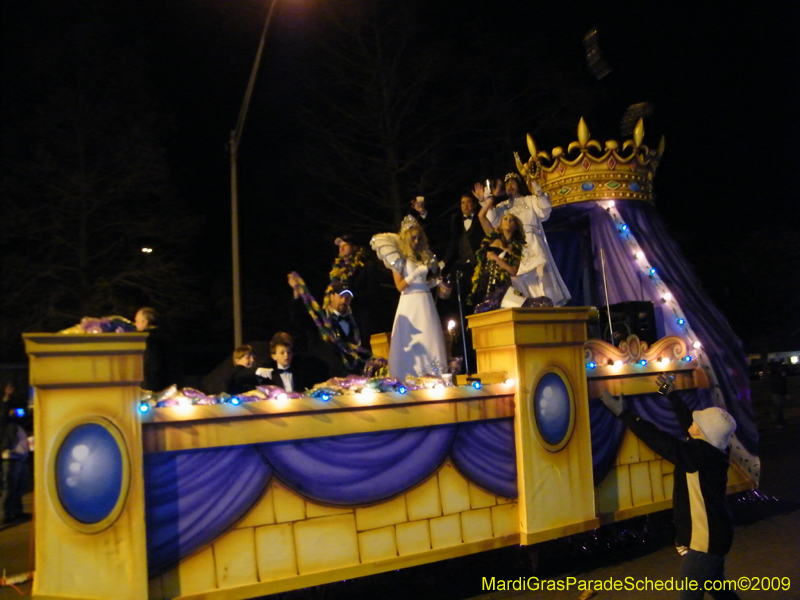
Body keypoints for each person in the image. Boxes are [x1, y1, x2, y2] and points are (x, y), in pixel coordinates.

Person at [600, 375, 741, 599]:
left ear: (702, 433)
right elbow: (689, 424)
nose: (691, 424)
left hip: (705, 540)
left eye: (697, 423)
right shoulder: (710, 450)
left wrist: (625, 415)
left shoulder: (698, 455)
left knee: (689, 595)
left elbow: (660, 440)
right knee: (719, 590)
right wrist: (672, 395)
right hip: (715, 535)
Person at [371, 215, 447, 381]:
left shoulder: (421, 256)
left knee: (429, 338)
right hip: (409, 302)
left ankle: (433, 377)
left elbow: (422, 284)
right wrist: (415, 275)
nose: (416, 241)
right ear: (406, 238)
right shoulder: (398, 259)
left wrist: (434, 282)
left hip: (425, 301)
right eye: (413, 238)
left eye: (419, 238)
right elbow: (399, 286)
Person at [476, 173, 571, 306]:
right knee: (519, 278)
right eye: (507, 183)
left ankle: (550, 303)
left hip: (533, 242)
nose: (510, 186)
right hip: (515, 246)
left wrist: (538, 191)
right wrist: (485, 201)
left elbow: (544, 211)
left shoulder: (530, 200)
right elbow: (492, 221)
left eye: (513, 182)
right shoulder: (503, 207)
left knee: (542, 270)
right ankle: (529, 307)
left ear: (519, 185)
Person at [288, 275, 371, 381]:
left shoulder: (356, 323)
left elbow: (362, 348)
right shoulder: (320, 319)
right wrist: (296, 294)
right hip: (325, 379)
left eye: (347, 297)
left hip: (352, 379)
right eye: (341, 296)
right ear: (331, 296)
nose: (344, 300)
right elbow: (298, 318)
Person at [469, 201, 526, 311]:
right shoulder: (494, 237)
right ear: (500, 223)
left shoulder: (516, 247)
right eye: (505, 219)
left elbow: (513, 271)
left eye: (512, 220)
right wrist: (488, 201)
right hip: (486, 279)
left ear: (516, 226)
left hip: (502, 284)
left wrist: (497, 259)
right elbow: (481, 216)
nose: (508, 221)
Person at [134, 307, 182, 392]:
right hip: (172, 386)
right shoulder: (169, 337)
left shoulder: (145, 341)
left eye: (137, 321)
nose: (135, 325)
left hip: (152, 388)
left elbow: (151, 365)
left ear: (145, 322)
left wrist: (146, 387)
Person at [2, 385, 31, 524]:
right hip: (11, 458)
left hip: (21, 459)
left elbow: (27, 418)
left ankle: (17, 512)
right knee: (10, 487)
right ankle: (6, 514)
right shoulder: (7, 425)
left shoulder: (20, 426)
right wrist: (7, 397)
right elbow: (3, 414)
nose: (16, 413)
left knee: (19, 488)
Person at [767, 361, 787, 428]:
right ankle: (780, 422)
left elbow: (780, 383)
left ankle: (780, 422)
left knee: (778, 408)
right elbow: (782, 383)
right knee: (778, 408)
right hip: (777, 392)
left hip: (776, 392)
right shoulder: (777, 374)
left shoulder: (773, 374)